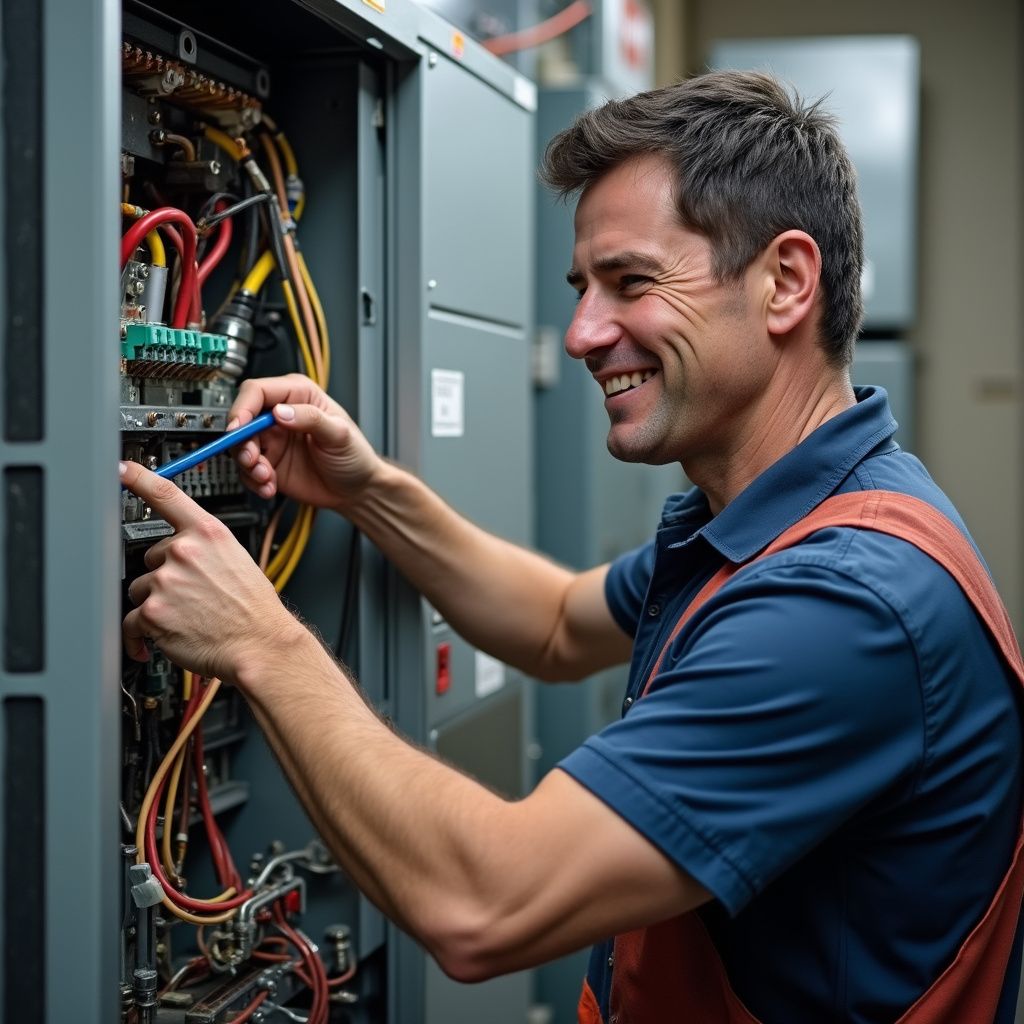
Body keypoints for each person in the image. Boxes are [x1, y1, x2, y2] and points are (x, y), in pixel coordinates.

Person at [121, 71, 1024, 1023]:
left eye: (631, 282)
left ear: (786, 282)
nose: (585, 333)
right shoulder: (797, 518)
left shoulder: (844, 605)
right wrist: (370, 490)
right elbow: (553, 623)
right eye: (582, 288)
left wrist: (262, 643)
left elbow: (485, 905)